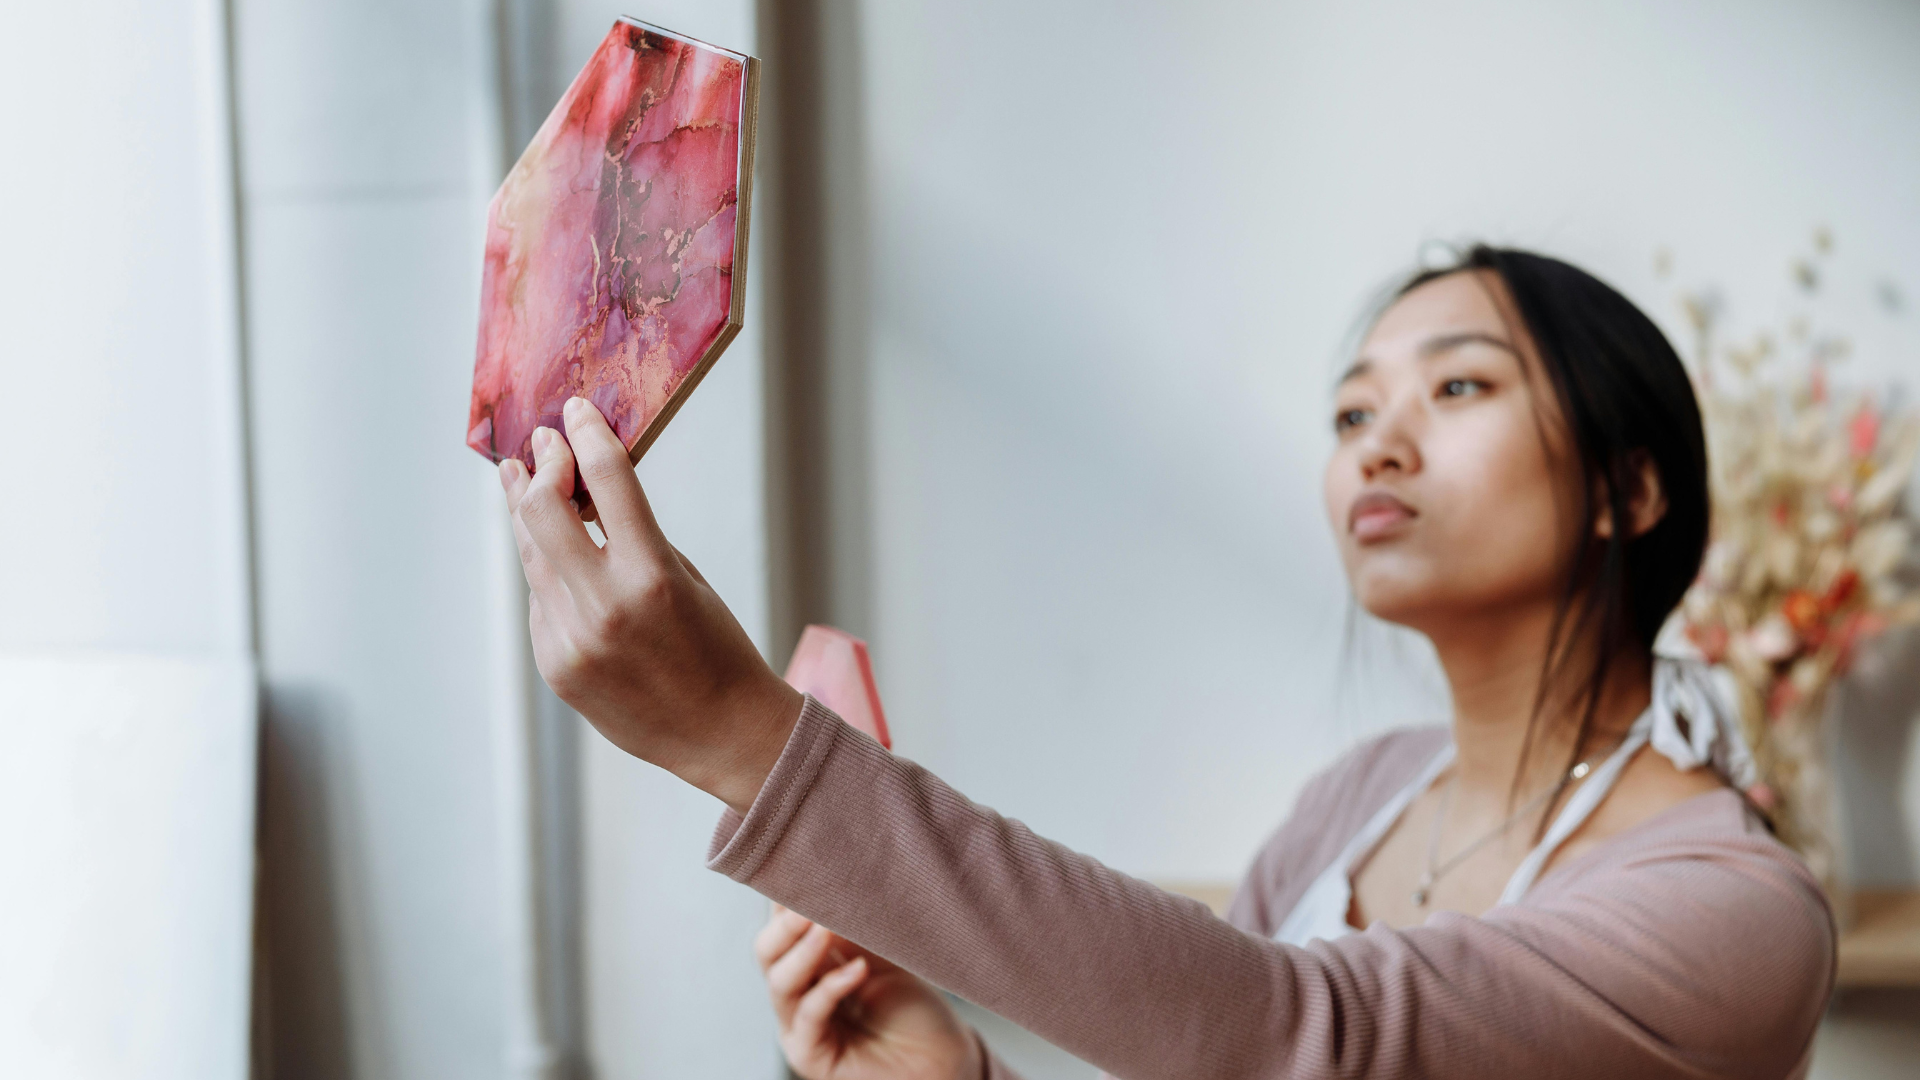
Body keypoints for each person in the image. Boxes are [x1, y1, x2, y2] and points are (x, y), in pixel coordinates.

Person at [497, 245, 1835, 1080]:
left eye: (1460, 386)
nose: (1376, 444)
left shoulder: (1736, 912)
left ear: (1630, 488)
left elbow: (1301, 1035)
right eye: (1351, 411)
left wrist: (748, 739)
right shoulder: (1359, 801)